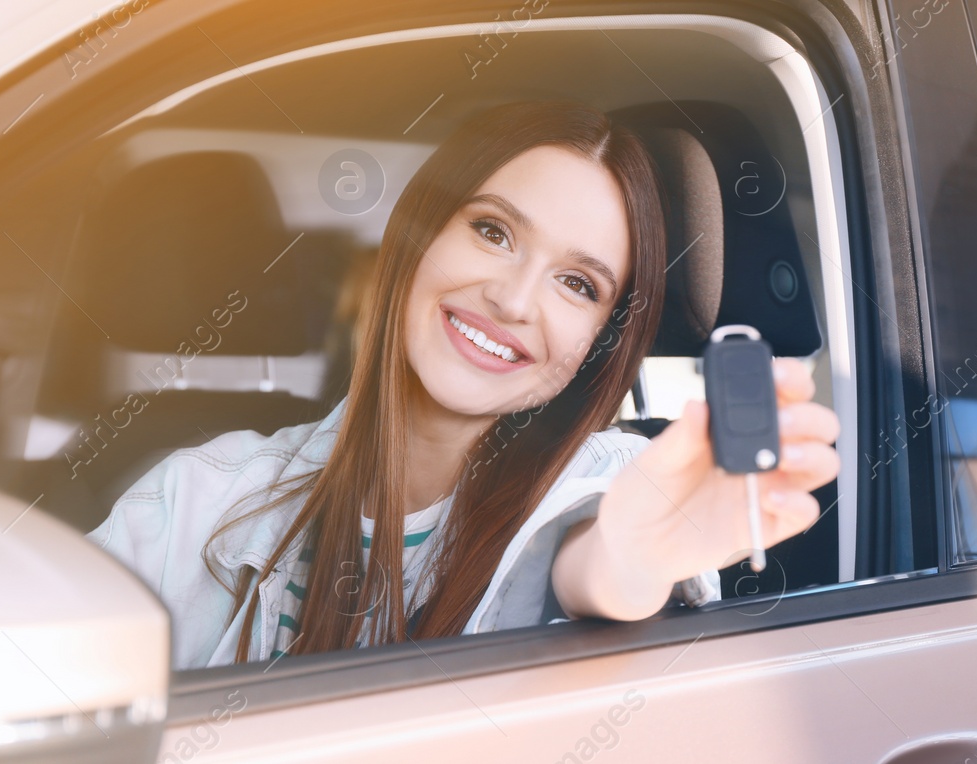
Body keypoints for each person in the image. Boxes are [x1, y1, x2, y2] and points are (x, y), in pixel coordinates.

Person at [86, 100, 841, 670]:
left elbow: (592, 558)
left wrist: (634, 560)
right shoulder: (196, 499)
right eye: (493, 231)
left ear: (598, 342)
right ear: (419, 234)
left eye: (577, 283)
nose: (513, 301)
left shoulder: (602, 486)